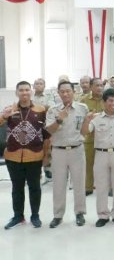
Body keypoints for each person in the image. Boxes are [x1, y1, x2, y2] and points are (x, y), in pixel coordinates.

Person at [0, 81, 50, 229]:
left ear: (31, 92)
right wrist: (4, 116)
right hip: (13, 156)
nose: (24, 93)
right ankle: (18, 216)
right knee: (17, 188)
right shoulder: (9, 110)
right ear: (17, 93)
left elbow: (47, 135)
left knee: (35, 187)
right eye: (21, 90)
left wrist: (46, 155)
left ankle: (35, 215)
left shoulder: (41, 110)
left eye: (27, 90)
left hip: (34, 155)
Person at [81, 88, 114, 227]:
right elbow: (85, 132)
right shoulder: (96, 118)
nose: (113, 103)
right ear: (104, 102)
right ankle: (103, 215)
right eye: (110, 100)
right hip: (101, 154)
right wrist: (87, 120)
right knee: (101, 186)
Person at [45, 81, 88, 228]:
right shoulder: (52, 110)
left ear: (73, 91)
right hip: (59, 151)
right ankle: (58, 215)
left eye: (68, 91)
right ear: (58, 93)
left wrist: (88, 122)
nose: (65, 94)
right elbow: (49, 130)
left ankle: (80, 213)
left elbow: (84, 130)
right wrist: (59, 118)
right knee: (58, 184)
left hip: (77, 149)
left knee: (79, 183)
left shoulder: (82, 108)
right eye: (62, 91)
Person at [81, 78, 104, 195]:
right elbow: (80, 118)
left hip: (105, 138)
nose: (100, 88)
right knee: (88, 164)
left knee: (105, 165)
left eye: (101, 85)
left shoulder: (107, 99)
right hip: (89, 137)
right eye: (97, 85)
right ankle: (88, 187)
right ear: (90, 87)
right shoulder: (83, 100)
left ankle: (105, 187)